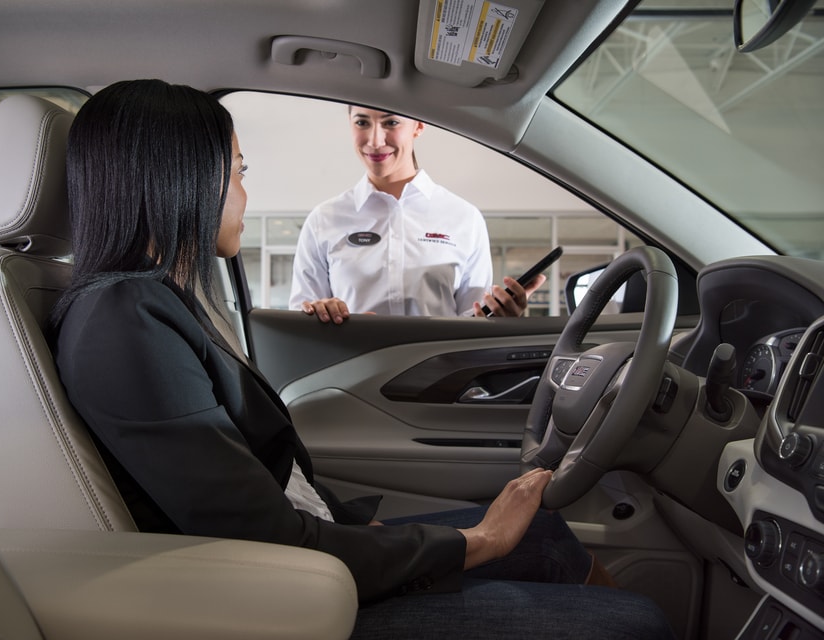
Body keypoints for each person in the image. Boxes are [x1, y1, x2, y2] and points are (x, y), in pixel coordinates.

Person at [52, 79, 674, 639]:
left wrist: (364, 529)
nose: (244, 191)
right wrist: (481, 541)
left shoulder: (154, 304)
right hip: (285, 596)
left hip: (302, 557)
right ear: (182, 177)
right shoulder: (125, 321)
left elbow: (261, 487)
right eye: (237, 171)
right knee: (636, 624)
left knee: (545, 533)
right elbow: (262, 538)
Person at [288, 105, 545, 324]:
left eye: (391, 122)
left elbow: (473, 322)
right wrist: (321, 315)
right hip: (353, 366)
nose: (375, 141)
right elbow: (301, 321)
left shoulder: (464, 217)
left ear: (418, 126)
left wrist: (499, 317)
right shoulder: (324, 219)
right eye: (362, 123)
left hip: (438, 368)